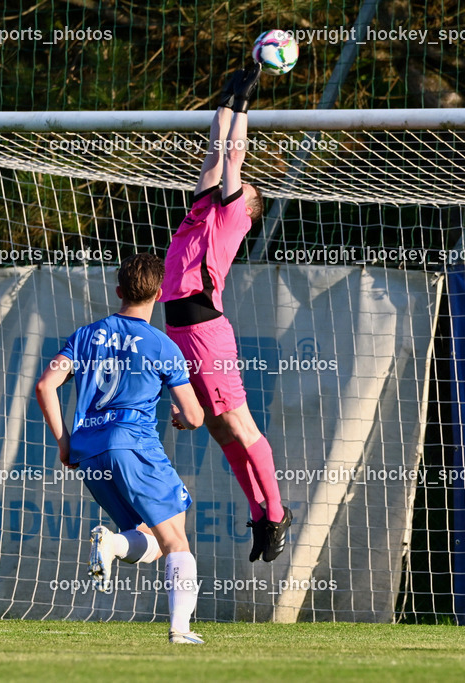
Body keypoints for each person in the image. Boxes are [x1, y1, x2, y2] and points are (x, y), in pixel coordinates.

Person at [35, 253, 207, 644]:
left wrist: (65, 444)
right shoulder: (161, 345)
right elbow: (195, 416)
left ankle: (111, 543)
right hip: (133, 445)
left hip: (89, 451)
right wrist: (181, 417)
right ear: (160, 294)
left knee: (149, 536)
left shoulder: (86, 335)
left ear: (118, 291)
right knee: (177, 540)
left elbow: (45, 385)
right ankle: (180, 629)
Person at [160, 65, 292, 563]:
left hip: (204, 329)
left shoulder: (234, 213)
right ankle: (259, 512)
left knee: (240, 425)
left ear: (249, 208)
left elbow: (233, 156)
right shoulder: (201, 209)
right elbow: (217, 152)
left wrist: (244, 108)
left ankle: (275, 513)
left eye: (245, 187)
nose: (235, 184)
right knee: (216, 429)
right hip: (179, 327)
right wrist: (225, 101)